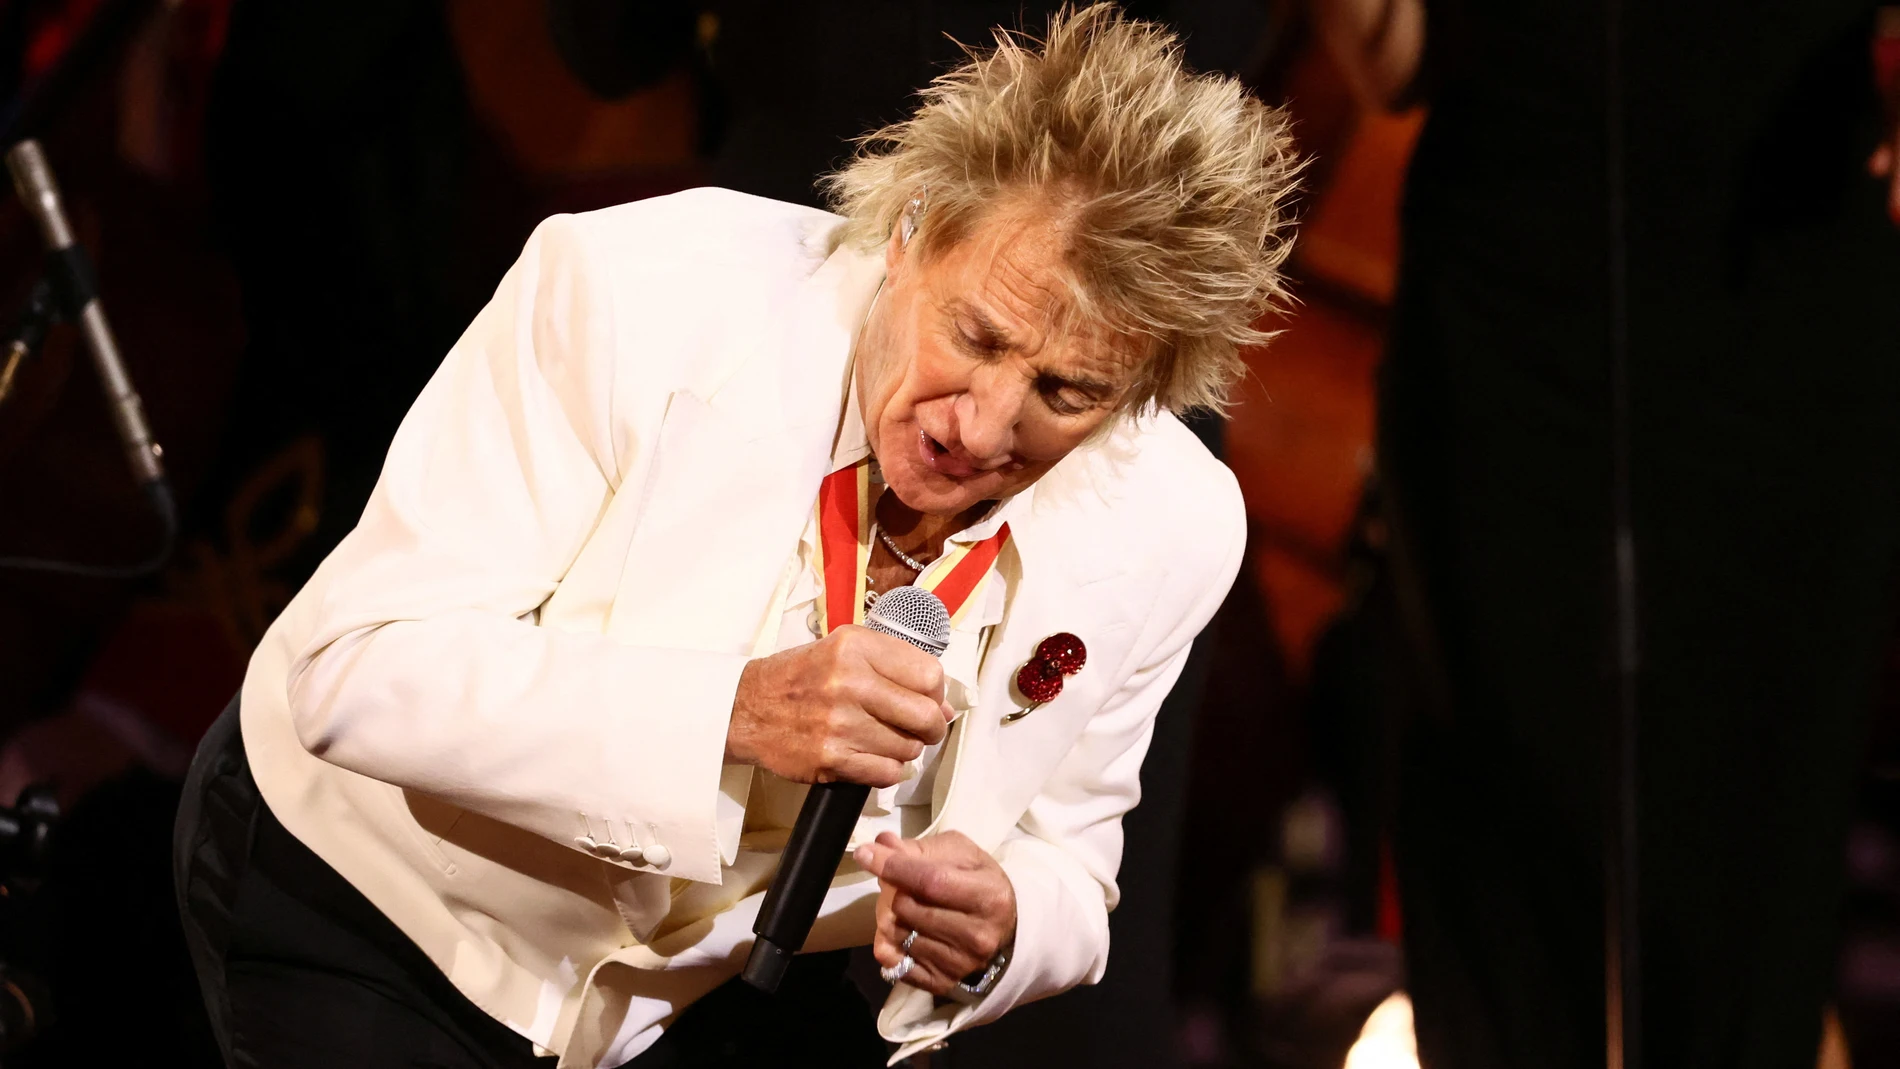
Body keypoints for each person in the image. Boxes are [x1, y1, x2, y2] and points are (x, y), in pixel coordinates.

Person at [173, 7, 1300, 1068]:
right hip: (377, 905)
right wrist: (734, 712)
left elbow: (1073, 854)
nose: (983, 424)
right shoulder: (629, 294)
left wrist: (1009, 926)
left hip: (686, 1000)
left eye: (1067, 391)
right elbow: (356, 671)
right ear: (909, 232)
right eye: (976, 335)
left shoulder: (1174, 520)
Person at [1311, 2, 1900, 1068]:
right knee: (1515, 823)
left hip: (1784, 272)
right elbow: (1395, 59)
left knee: (1750, 843)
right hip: (1512, 305)